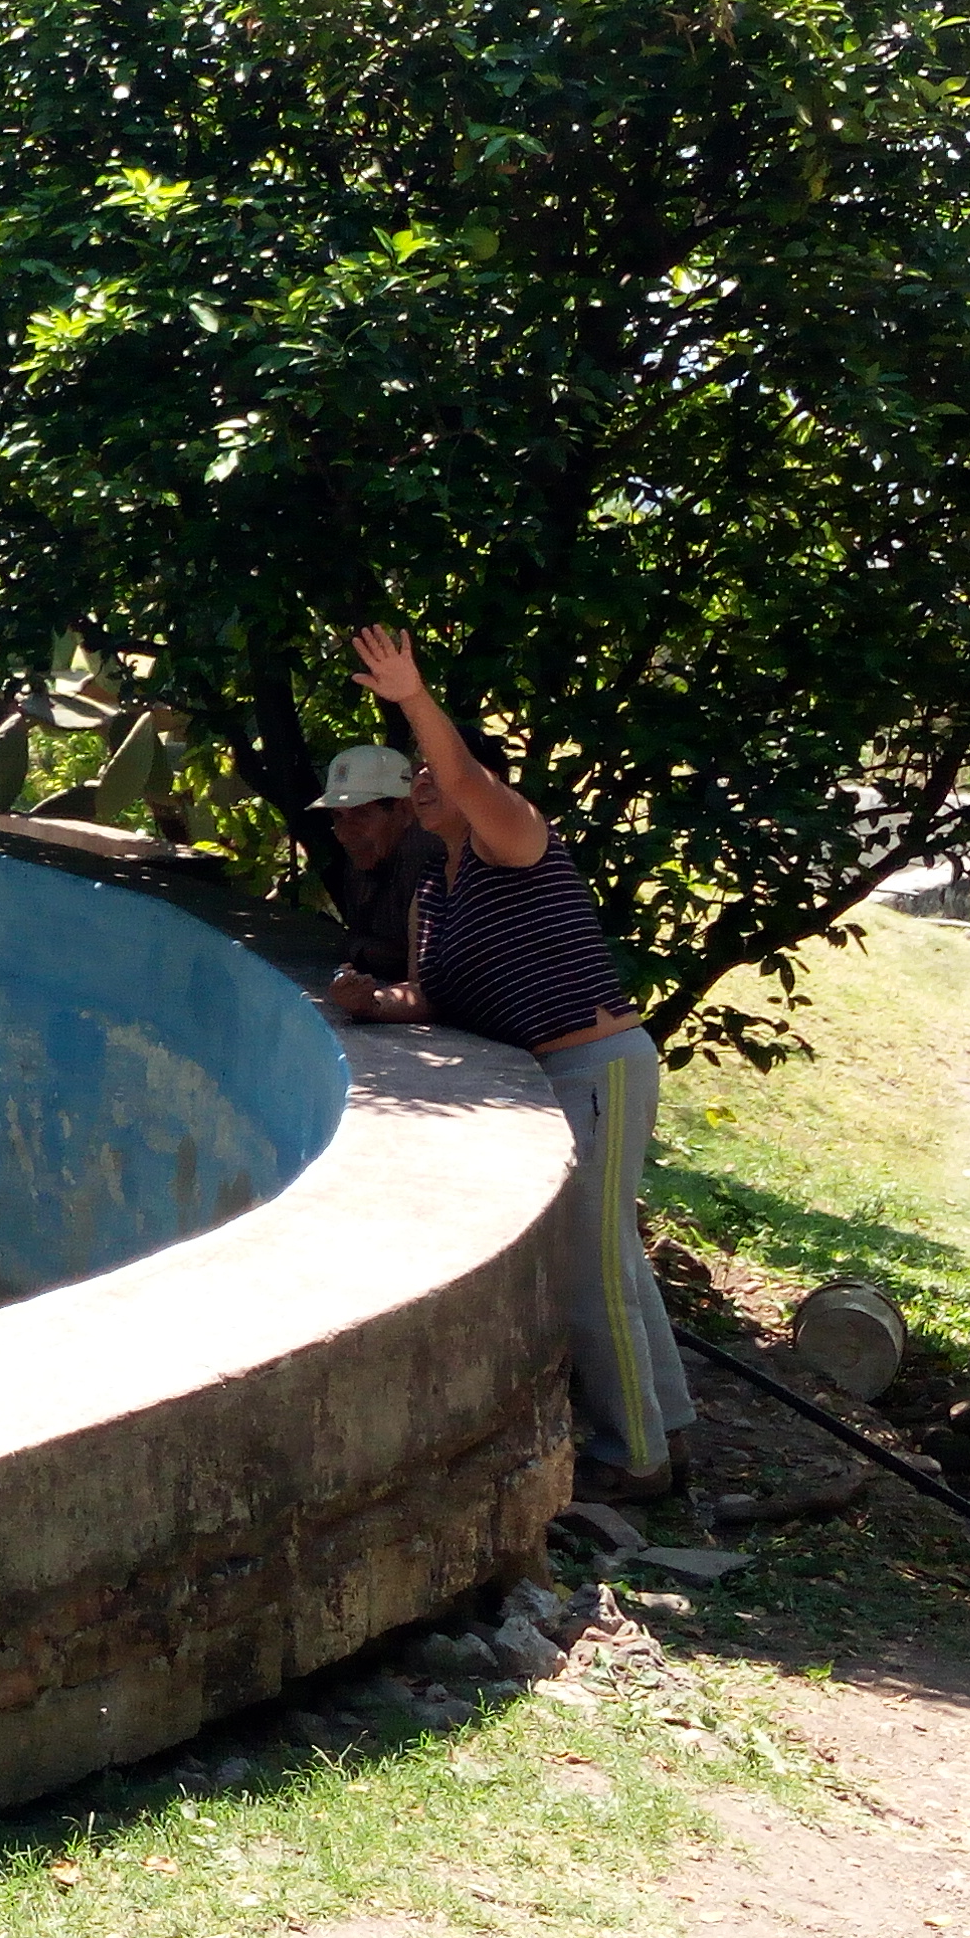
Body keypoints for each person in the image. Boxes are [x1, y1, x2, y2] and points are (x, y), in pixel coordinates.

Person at [327, 624, 696, 1506]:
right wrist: (368, 1003)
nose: (422, 787)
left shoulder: (516, 840)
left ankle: (634, 1458)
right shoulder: (438, 888)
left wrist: (410, 696)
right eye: (415, 779)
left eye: (430, 776)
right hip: (555, 1080)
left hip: (595, 1066)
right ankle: (668, 1431)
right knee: (613, 1260)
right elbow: (431, 995)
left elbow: (460, 776)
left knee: (590, 1263)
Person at [310, 744, 445, 1001]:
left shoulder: (428, 856)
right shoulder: (367, 857)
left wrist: (363, 950)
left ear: (405, 811)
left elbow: (419, 966)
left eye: (360, 814)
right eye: (337, 817)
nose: (343, 833)